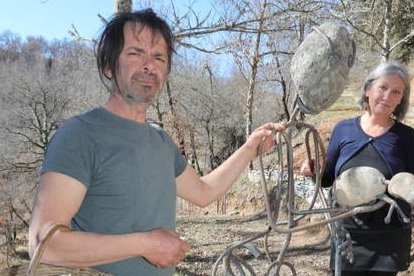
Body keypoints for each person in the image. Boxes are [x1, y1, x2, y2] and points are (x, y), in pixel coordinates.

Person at [28, 9, 286, 276]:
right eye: (135, 53)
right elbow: (45, 246)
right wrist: (145, 244)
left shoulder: (161, 142)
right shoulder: (80, 135)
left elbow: (204, 192)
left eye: (159, 57)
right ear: (108, 66)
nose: (149, 66)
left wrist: (250, 148)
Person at [301, 60, 413, 276]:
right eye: (383, 87)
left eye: (396, 92)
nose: (388, 96)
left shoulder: (407, 138)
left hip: (389, 241)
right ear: (368, 89)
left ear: (401, 99)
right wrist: (314, 170)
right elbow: (327, 179)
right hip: (348, 235)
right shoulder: (343, 130)